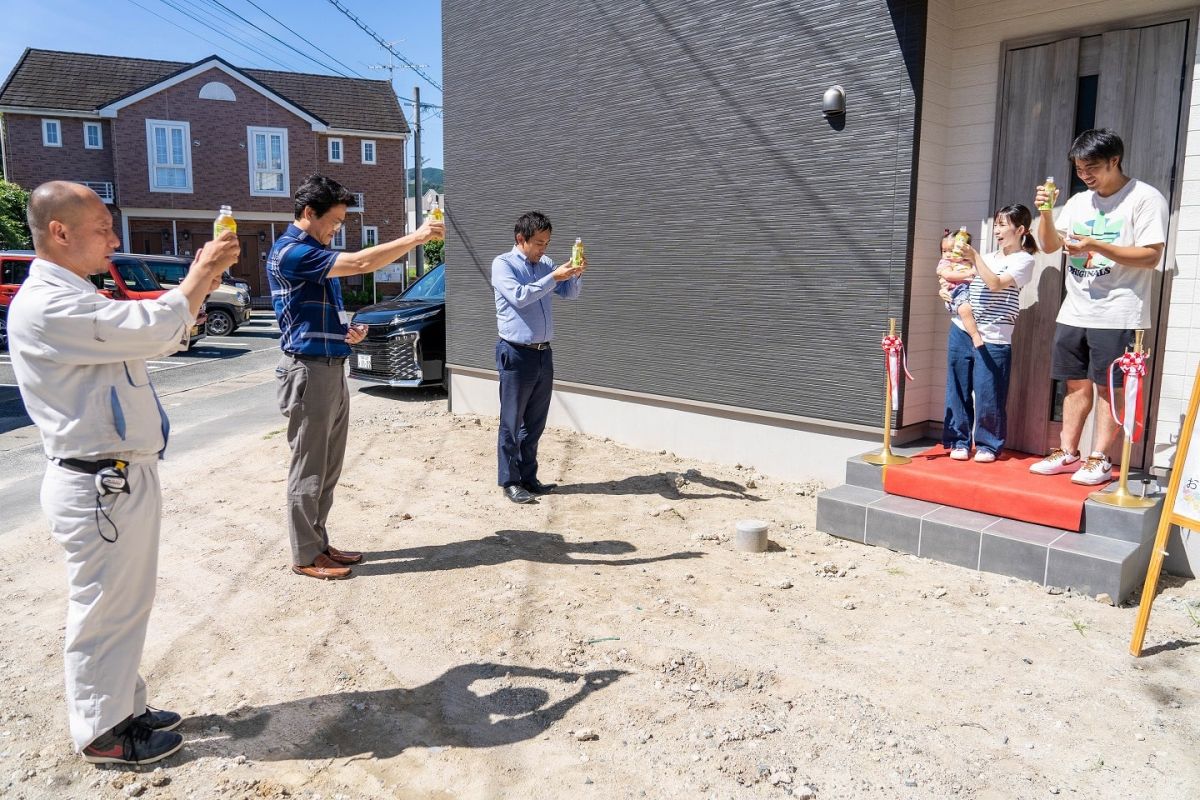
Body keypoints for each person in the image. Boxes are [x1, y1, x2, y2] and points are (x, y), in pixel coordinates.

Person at [7, 181, 240, 765]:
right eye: (101, 229)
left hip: (113, 477)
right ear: (59, 232)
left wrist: (200, 282)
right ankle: (103, 731)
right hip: (98, 482)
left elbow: (155, 329)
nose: (114, 239)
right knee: (105, 606)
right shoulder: (50, 304)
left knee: (125, 602)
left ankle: (121, 705)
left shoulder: (77, 295)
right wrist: (199, 273)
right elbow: (154, 329)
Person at [268, 174, 443, 578]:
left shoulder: (313, 252)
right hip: (308, 372)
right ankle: (305, 555)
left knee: (328, 465)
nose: (337, 229)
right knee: (309, 466)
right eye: (334, 221)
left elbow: (308, 314)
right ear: (308, 213)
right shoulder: (292, 252)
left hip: (330, 366)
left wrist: (347, 332)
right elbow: (362, 262)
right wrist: (416, 238)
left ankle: (319, 543)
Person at [1030, 129, 1169, 485]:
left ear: (1114, 161)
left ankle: (1101, 458)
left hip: (1119, 311)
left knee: (1111, 387)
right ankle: (1067, 452)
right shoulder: (1078, 202)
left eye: (1091, 167)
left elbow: (1152, 256)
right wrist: (1045, 213)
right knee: (1074, 384)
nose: (1085, 175)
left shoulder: (1144, 198)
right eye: (1079, 169)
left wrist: (1097, 246)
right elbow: (1048, 246)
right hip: (1074, 310)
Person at [491, 212, 585, 504]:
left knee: (534, 423)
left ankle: (529, 477)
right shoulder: (503, 264)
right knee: (511, 421)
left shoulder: (544, 265)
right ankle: (509, 481)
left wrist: (575, 274)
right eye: (539, 243)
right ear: (521, 239)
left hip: (544, 353)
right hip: (516, 352)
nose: (544, 249)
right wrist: (553, 277)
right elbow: (520, 296)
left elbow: (568, 293)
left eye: (547, 243)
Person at [942, 204, 1038, 462]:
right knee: (958, 387)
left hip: (994, 334)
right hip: (962, 328)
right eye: (996, 224)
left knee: (989, 392)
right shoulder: (989, 256)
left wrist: (975, 258)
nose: (997, 230)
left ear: (1020, 230)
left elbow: (995, 284)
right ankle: (958, 441)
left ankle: (988, 445)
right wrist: (948, 289)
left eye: (1003, 225)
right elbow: (965, 279)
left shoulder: (1024, 260)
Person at [936, 229, 988, 348]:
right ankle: (975, 336)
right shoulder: (945, 263)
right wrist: (969, 274)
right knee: (965, 310)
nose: (948, 254)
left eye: (951, 250)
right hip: (956, 292)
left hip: (971, 291)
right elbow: (948, 275)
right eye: (944, 251)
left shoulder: (969, 261)